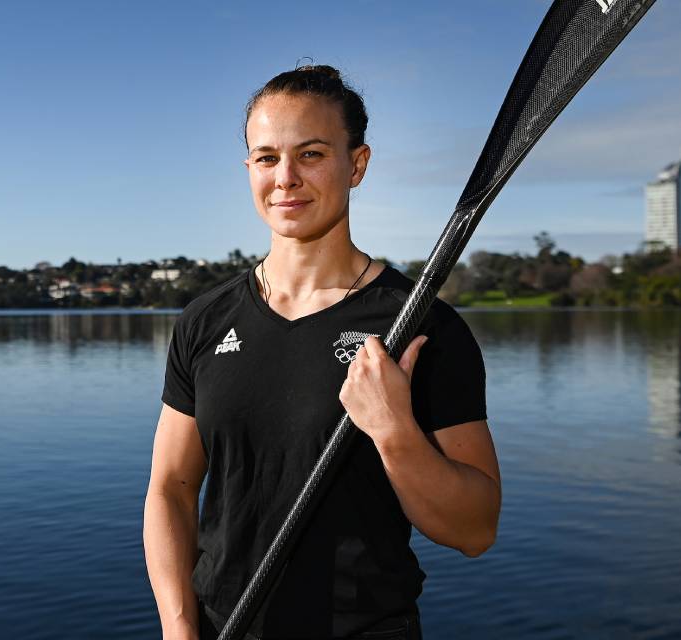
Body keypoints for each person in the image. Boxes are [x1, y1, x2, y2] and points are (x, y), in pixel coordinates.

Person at [143, 64, 501, 640]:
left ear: (356, 164)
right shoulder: (205, 322)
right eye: (266, 157)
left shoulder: (420, 324)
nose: (285, 178)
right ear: (248, 169)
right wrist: (179, 628)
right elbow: (171, 488)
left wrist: (394, 431)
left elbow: (475, 529)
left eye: (311, 154)